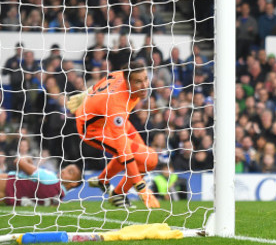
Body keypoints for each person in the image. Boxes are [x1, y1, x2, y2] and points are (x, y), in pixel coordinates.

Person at [68, 61, 159, 209]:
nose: (145, 86)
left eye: (146, 79)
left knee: (146, 157)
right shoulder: (117, 105)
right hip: (93, 129)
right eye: (138, 82)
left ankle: (104, 181)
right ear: (128, 83)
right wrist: (142, 188)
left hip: (107, 118)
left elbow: (104, 81)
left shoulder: (120, 74)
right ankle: (117, 193)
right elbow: (124, 150)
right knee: (149, 158)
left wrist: (86, 94)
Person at [0, 157, 81, 206]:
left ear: (74, 183)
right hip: (8, 200)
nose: (63, 171)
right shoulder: (57, 201)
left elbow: (18, 161)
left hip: (6, 182)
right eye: (65, 168)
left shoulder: (51, 178)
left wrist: (27, 158)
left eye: (70, 172)